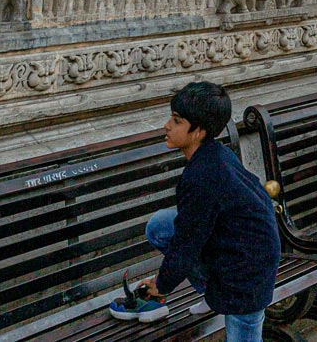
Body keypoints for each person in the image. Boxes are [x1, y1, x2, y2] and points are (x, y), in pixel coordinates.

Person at [111, 81, 278, 337]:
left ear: (197, 131)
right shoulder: (214, 154)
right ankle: (211, 293)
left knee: (243, 331)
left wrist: (161, 285)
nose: (167, 126)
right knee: (161, 226)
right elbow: (188, 232)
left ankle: (218, 295)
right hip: (244, 252)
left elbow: (186, 245)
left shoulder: (203, 176)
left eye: (177, 121)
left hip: (247, 277)